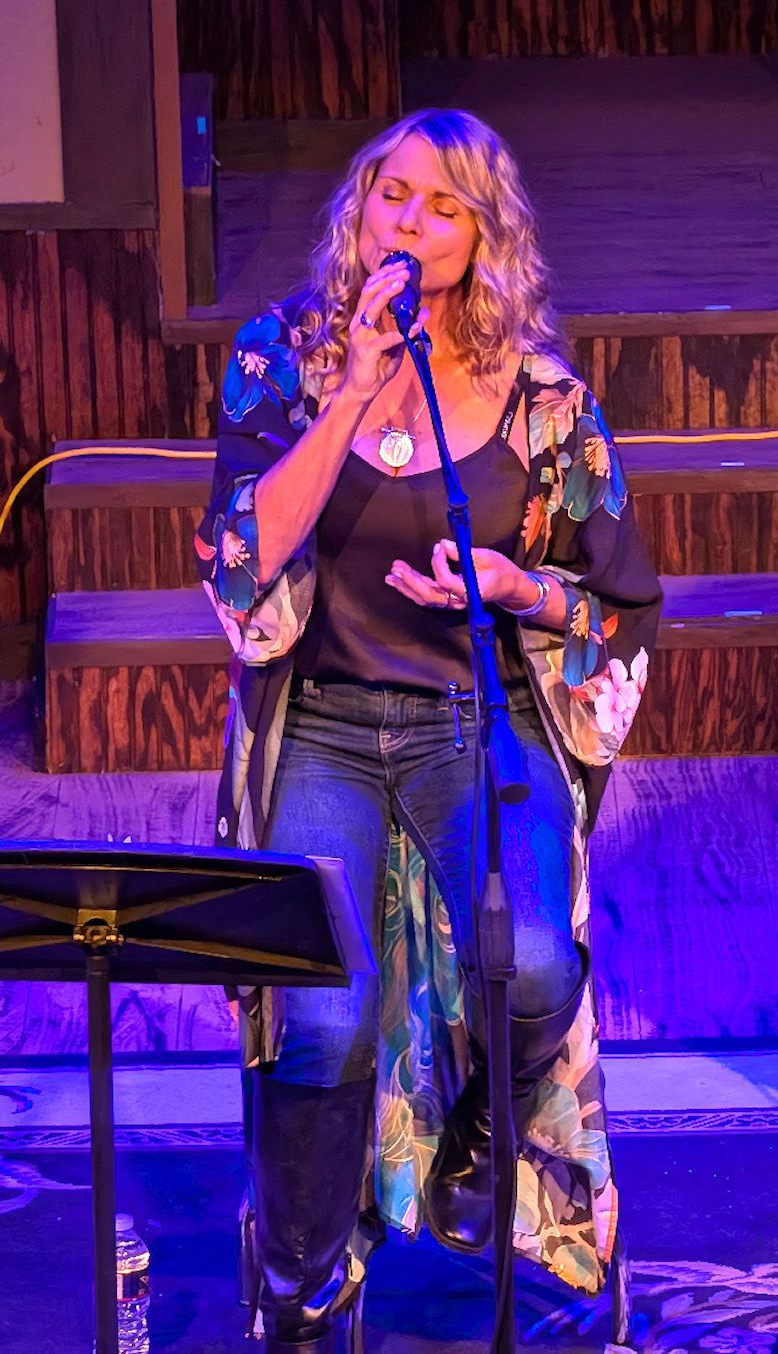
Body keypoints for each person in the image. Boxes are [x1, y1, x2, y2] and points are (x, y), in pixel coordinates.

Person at [196, 108, 661, 1350]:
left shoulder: (545, 400)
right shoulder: (280, 360)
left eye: (443, 206)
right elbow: (240, 562)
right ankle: (300, 1286)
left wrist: (515, 589)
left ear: (483, 236)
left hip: (477, 721)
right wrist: (350, 390)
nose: (408, 221)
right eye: (392, 193)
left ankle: (477, 1145)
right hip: (325, 729)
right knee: (322, 1016)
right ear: (361, 206)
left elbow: (616, 602)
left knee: (537, 966)